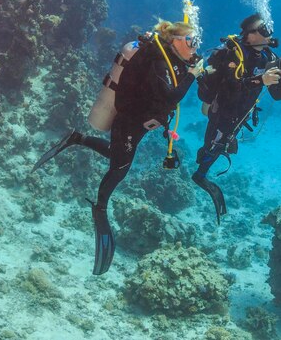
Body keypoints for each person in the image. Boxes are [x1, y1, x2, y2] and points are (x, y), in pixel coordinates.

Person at [32, 19, 204, 275]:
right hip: (130, 121)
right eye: (191, 41)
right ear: (175, 41)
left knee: (116, 155)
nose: (195, 47)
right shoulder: (159, 62)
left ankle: (76, 138)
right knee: (120, 167)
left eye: (196, 41)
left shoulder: (172, 60)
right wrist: (191, 76)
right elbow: (169, 96)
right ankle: (100, 205)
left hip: (142, 123)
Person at [194, 13, 281, 222]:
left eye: (268, 28)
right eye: (262, 29)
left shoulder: (267, 56)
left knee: (223, 142)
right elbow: (233, 85)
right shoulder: (235, 54)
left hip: (242, 112)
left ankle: (205, 163)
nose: (268, 33)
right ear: (249, 36)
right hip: (224, 109)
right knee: (216, 143)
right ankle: (200, 174)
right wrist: (262, 79)